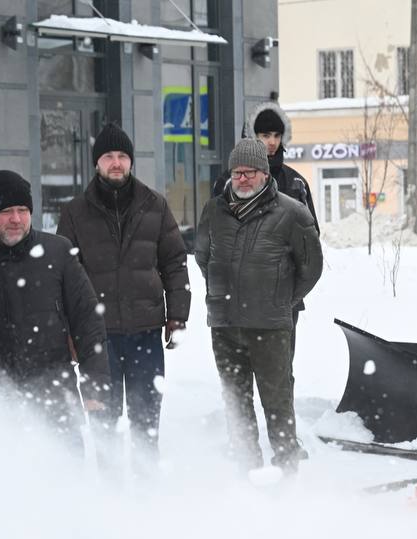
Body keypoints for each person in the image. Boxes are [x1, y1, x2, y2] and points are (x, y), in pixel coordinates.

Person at [57, 123, 190, 474]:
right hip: (97, 339)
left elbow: (175, 261)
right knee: (104, 428)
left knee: (147, 424)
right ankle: (113, 505)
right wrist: (70, 331)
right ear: (96, 163)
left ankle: (147, 500)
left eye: (122, 156)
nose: (115, 163)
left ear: (130, 161)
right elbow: (64, 277)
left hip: (146, 333)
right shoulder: (74, 213)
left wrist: (177, 315)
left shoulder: (154, 205)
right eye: (108, 157)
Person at [195, 138, 323, 474]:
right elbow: (202, 256)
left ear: (265, 174)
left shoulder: (292, 213)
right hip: (224, 325)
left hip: (270, 326)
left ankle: (285, 472)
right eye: (238, 172)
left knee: (277, 403)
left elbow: (311, 268)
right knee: (235, 404)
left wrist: (282, 299)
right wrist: (222, 291)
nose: (243, 179)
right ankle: (247, 469)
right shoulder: (214, 211)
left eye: (251, 172)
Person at [0, 169, 109, 447]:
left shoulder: (58, 251)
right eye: (6, 211)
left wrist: (94, 384)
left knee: (64, 476)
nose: (16, 219)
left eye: (23, 210)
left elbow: (87, 319)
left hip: (55, 394)